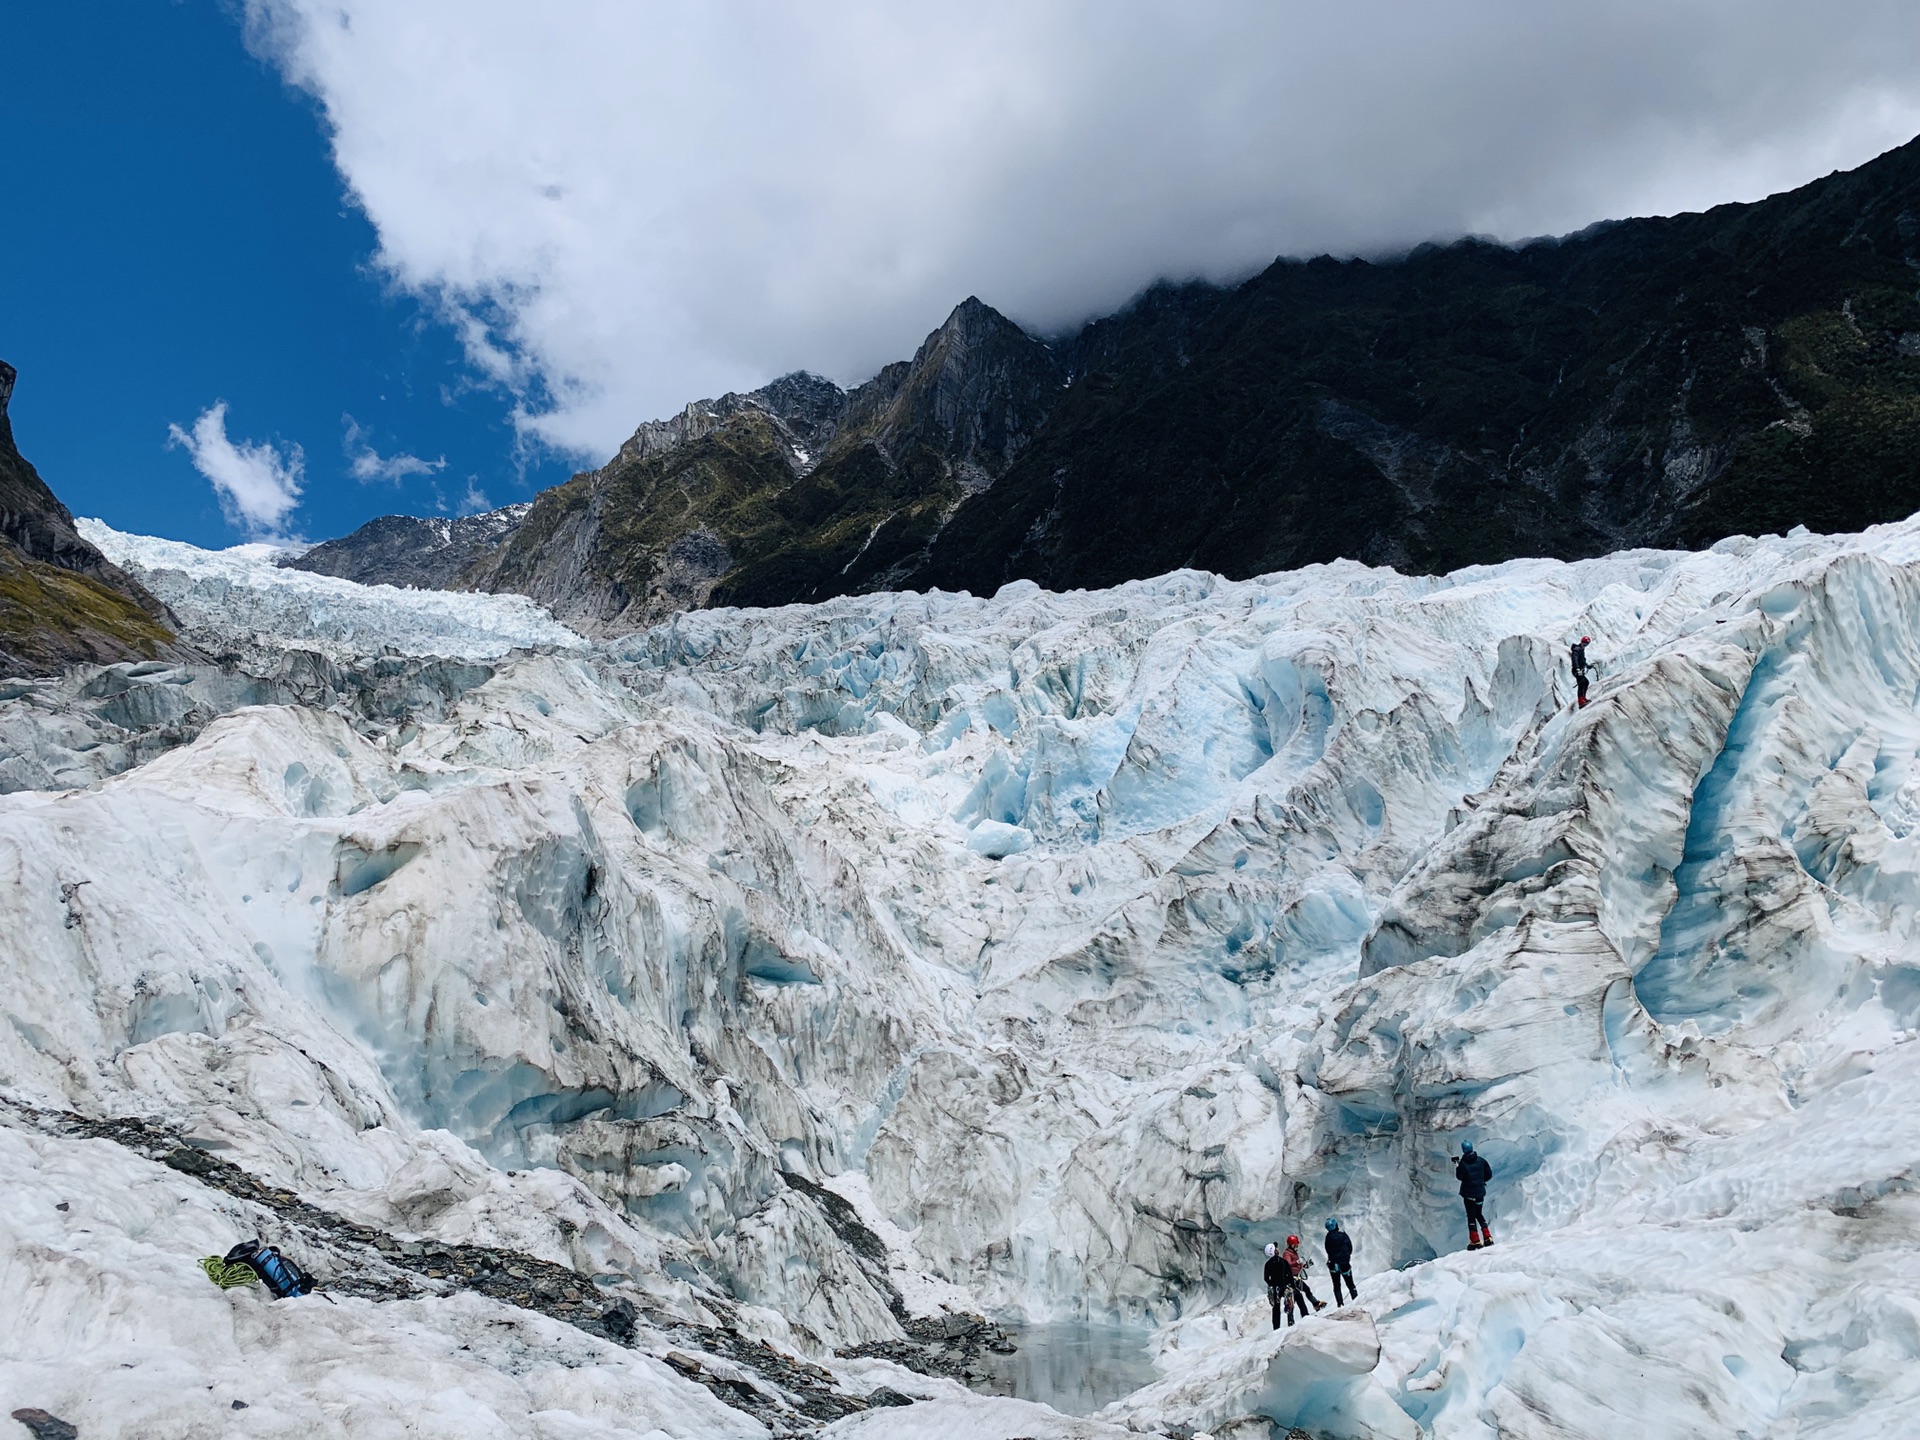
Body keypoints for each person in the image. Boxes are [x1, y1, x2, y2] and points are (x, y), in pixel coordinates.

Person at [1455, 1141, 1495, 1250]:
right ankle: (1487, 1237)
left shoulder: (1463, 1164)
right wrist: (1480, 1181)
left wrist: (1457, 1166)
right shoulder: (1481, 1161)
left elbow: (1460, 1177)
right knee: (1479, 1214)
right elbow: (1489, 1174)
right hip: (1480, 1193)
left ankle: (1475, 1241)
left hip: (1468, 1195)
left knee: (1471, 1217)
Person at [1280, 1234, 1325, 1323]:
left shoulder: (1293, 1253)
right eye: (1295, 1244)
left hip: (1297, 1278)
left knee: (1306, 1290)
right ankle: (1292, 1319)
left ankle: (1315, 1304)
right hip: (1292, 1279)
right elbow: (1288, 1264)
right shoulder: (1287, 1254)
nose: (1297, 1246)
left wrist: (1304, 1265)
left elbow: (1295, 1265)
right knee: (1294, 1298)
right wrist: (1297, 1262)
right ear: (1292, 1244)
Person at [1323, 1217, 1356, 1304]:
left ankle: (1340, 1304)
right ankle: (1356, 1301)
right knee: (1350, 1285)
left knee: (1337, 1286)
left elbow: (1327, 1249)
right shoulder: (1343, 1236)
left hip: (1333, 1264)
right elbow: (1350, 1248)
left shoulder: (1328, 1238)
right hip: (1344, 1264)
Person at [1263, 1242, 1290, 1330]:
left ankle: (1276, 1327)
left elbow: (1266, 1278)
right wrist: (1289, 1284)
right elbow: (1288, 1274)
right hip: (1284, 1286)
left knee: (1276, 1308)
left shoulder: (1268, 1264)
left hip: (1275, 1288)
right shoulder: (1283, 1262)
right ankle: (1290, 1321)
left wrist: (1271, 1284)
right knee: (1290, 1303)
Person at [1570, 636, 1592, 708]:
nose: (1585, 646)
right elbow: (1575, 660)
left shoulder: (1581, 650)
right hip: (1577, 670)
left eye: (1586, 645)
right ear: (1581, 642)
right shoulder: (1576, 650)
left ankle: (1583, 698)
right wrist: (1577, 669)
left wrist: (1587, 666)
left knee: (1585, 682)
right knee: (1582, 683)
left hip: (1580, 670)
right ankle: (1581, 701)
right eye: (1584, 644)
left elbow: (1582, 661)